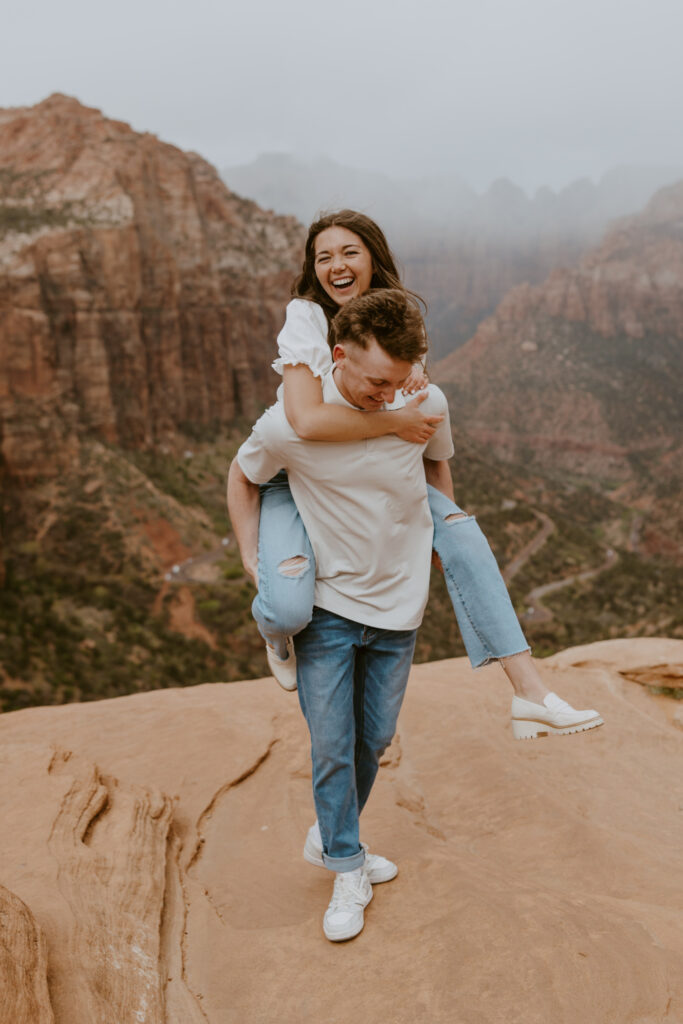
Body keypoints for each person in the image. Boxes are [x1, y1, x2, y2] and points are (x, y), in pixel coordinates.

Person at [246, 209, 603, 741]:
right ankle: (276, 633)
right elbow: (306, 420)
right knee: (289, 604)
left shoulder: (396, 319)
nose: (336, 266)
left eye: (349, 253)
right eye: (324, 257)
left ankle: (530, 693)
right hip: (301, 472)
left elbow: (429, 439)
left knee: (465, 536)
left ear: (373, 260)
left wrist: (440, 524)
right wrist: (397, 419)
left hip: (375, 467)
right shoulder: (306, 317)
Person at [228, 290, 455, 940]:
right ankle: (346, 865)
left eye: (399, 380)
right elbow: (244, 476)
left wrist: (449, 533)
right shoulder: (290, 427)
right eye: (376, 381)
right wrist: (255, 560)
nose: (389, 395)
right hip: (326, 611)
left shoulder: (423, 403)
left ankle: (332, 835)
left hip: (398, 610)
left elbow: (437, 465)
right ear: (336, 358)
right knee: (332, 747)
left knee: (374, 740)